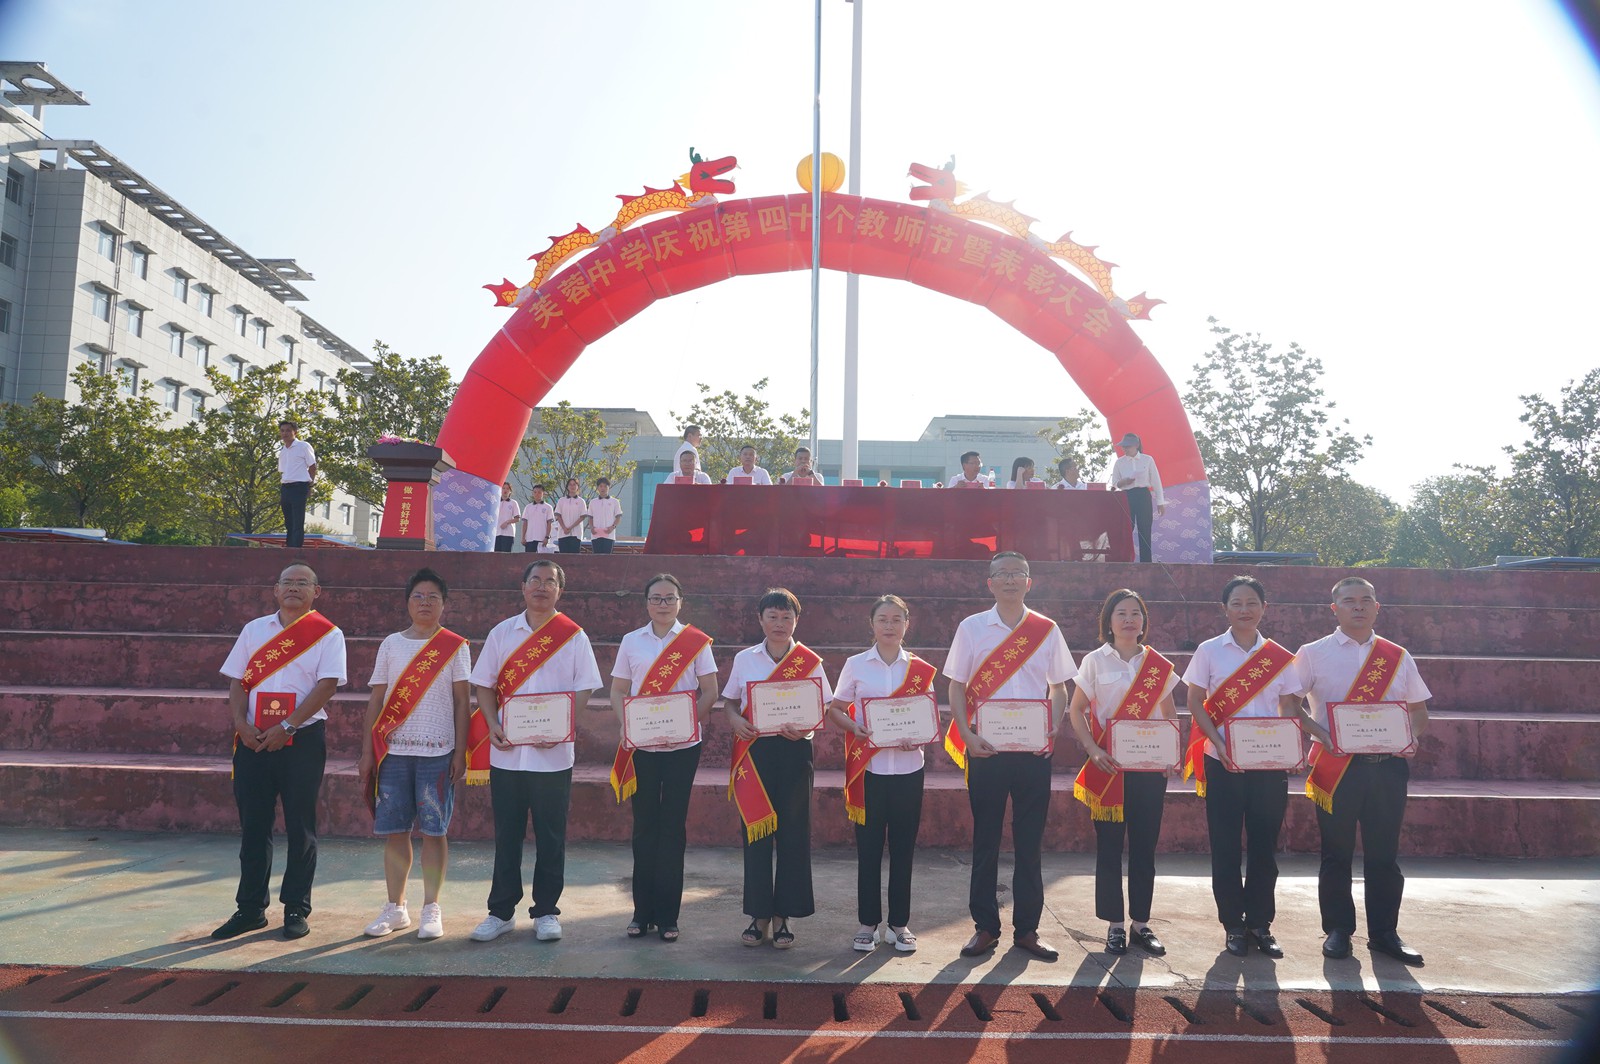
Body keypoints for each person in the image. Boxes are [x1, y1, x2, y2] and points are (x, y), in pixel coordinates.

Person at [1279, 576, 1431, 966]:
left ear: (1377, 607)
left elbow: (1418, 711)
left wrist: (1411, 737)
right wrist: (1322, 735)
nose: (1358, 606)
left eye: (1366, 600)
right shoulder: (1312, 653)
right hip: (1336, 766)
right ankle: (1337, 930)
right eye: (1349, 600)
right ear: (1335, 609)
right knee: (1336, 854)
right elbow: (1290, 705)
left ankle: (1384, 934)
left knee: (1384, 855)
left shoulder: (1397, 655)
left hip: (1388, 768)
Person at [945, 552, 1075, 961]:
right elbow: (956, 686)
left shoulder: (1046, 629)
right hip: (986, 749)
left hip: (1034, 750)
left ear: (1029, 582)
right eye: (1002, 574)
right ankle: (985, 927)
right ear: (990, 583)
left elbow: (1059, 688)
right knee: (985, 840)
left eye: (1018, 574)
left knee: (1029, 843)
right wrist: (966, 733)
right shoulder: (971, 628)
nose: (1010, 580)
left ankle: (1028, 930)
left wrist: (1054, 725)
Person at [467, 560, 603, 943]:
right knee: (506, 835)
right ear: (523, 587)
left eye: (550, 582)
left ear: (560, 590)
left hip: (553, 755)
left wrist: (564, 726)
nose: (542, 587)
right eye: (535, 580)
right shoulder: (502, 633)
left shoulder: (573, 636)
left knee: (551, 836)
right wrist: (492, 723)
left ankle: (546, 911)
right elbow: (484, 685)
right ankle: (500, 912)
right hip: (507, 752)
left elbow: (585, 687)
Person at [212, 562, 347, 940]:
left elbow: (327, 686)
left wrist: (287, 726)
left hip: (301, 739)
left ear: (316, 592)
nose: (294, 588)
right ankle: (250, 909)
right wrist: (240, 724)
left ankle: (296, 908)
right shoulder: (254, 630)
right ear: (275, 589)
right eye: (287, 582)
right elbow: (238, 682)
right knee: (253, 826)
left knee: (301, 826)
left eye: (303, 583)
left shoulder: (328, 634)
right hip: (253, 738)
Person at [1181, 576, 1296, 958]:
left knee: (1265, 848)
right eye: (1236, 603)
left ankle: (1261, 924)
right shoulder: (1209, 651)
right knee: (1226, 846)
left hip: (1269, 765)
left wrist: (1287, 745)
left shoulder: (1279, 657)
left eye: (1251, 603)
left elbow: (1289, 706)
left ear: (1264, 608)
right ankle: (1233, 924)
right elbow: (1194, 702)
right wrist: (1218, 742)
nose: (1244, 610)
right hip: (1222, 761)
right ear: (1225, 609)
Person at [358, 568, 472, 941]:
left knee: (435, 832)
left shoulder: (455, 645)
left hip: (439, 751)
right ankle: (396, 907)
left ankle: (431, 907)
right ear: (407, 602)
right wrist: (367, 752)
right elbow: (377, 699)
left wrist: (460, 751)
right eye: (418, 596)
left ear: (444, 604)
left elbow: (462, 701)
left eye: (433, 597)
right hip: (392, 752)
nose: (425, 602)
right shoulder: (391, 644)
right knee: (395, 831)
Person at [1067, 588, 1179, 957]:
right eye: (1121, 613)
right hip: (1109, 767)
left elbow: (1169, 714)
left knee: (1145, 848)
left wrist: (1170, 754)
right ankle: (1114, 924)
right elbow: (1077, 709)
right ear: (1109, 621)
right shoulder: (1095, 661)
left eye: (1135, 613)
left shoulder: (1157, 665)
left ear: (1144, 621)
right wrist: (1092, 749)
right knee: (1110, 848)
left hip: (1149, 769)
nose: (1129, 619)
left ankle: (1141, 924)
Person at [608, 573, 719, 942]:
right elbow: (618, 690)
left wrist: (686, 725)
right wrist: (626, 725)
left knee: (672, 828)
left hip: (682, 749)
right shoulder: (631, 641)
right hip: (641, 746)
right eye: (656, 598)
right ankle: (642, 913)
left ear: (680, 602)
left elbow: (710, 691)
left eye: (670, 597)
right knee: (644, 827)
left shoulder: (696, 641)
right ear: (646, 602)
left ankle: (669, 916)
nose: (663, 604)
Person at [826, 594, 936, 954]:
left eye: (896, 619)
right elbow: (836, 709)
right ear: (871, 624)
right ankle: (867, 924)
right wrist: (855, 727)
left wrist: (916, 737)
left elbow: (927, 717)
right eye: (882, 619)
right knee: (869, 850)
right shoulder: (856, 665)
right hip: (869, 770)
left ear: (907, 624)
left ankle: (899, 925)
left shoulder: (921, 670)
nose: (889, 626)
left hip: (908, 769)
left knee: (903, 850)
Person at [723, 587, 832, 949]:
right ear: (761, 619)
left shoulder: (809, 660)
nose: (780, 623)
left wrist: (807, 727)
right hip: (755, 755)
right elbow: (730, 703)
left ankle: (785, 915)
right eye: (773, 616)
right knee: (755, 835)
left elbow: (823, 707)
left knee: (793, 835)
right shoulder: (745, 659)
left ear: (796, 621)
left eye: (787, 617)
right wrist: (736, 721)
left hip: (795, 752)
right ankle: (759, 915)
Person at [1110, 432, 1165, 562]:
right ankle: (1124, 559)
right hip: (1126, 495)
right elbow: (1115, 483)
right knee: (1127, 528)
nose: (1125, 449)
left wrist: (1160, 502)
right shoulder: (1119, 462)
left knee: (1145, 528)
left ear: (1136, 445)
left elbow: (1156, 481)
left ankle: (1146, 562)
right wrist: (1124, 481)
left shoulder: (1148, 459)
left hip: (1143, 494)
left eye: (1127, 446)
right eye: (1123, 446)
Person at [276, 420, 317, 548]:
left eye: (288, 430)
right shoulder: (283, 451)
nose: (285, 433)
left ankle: (296, 548)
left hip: (299, 486)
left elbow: (312, 466)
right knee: (288, 521)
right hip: (286, 487)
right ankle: (289, 546)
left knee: (298, 521)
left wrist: (310, 485)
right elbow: (284, 470)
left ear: (295, 432)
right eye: (282, 431)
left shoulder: (303, 446)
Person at [587, 478, 623, 554]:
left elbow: (618, 517)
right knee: (596, 557)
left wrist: (612, 527)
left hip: (609, 535)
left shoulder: (615, 501)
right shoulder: (593, 502)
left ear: (608, 487)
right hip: (596, 534)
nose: (603, 488)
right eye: (601, 486)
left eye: (605, 486)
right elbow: (590, 517)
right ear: (597, 488)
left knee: (607, 558)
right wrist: (592, 527)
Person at [554, 478, 589, 554]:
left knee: (574, 557)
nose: (572, 486)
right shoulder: (561, 500)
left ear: (577, 486)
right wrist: (564, 528)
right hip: (563, 533)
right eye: (570, 484)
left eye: (574, 484)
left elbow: (582, 517)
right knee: (563, 556)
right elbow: (558, 515)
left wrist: (570, 527)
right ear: (567, 487)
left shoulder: (581, 501)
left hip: (576, 534)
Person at [521, 485, 554, 552]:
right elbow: (525, 523)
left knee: (541, 558)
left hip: (542, 539)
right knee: (530, 557)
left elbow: (549, 523)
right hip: (530, 539)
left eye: (539, 492)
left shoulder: (548, 507)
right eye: (535, 492)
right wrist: (523, 537)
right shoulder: (528, 507)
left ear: (543, 493)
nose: (537, 494)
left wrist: (547, 537)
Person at [494, 483, 522, 553]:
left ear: (510, 491)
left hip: (508, 533)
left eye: (507, 488)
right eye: (503, 488)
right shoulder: (495, 502)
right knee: (495, 555)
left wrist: (507, 522)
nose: (505, 490)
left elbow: (517, 518)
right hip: (496, 532)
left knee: (506, 554)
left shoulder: (513, 503)